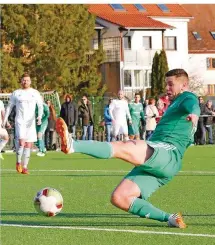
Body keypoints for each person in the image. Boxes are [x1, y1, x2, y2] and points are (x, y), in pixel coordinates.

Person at [56, 68, 200, 228]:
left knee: (124, 145)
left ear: (184, 85)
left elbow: (193, 104)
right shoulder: (175, 103)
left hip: (168, 153)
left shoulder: (187, 96)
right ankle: (170, 218)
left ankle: (73, 145)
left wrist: (194, 114)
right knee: (120, 197)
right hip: (164, 162)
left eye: (170, 84)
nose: (167, 88)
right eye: (166, 84)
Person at [3, 73, 43, 174]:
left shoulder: (35, 92)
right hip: (20, 121)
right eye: (23, 80)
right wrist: (4, 120)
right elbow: (9, 107)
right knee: (21, 143)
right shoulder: (16, 93)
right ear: (21, 81)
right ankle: (18, 162)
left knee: (29, 145)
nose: (25, 82)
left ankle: (25, 167)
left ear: (30, 81)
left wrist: (39, 117)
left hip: (31, 122)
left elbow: (40, 106)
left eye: (27, 80)